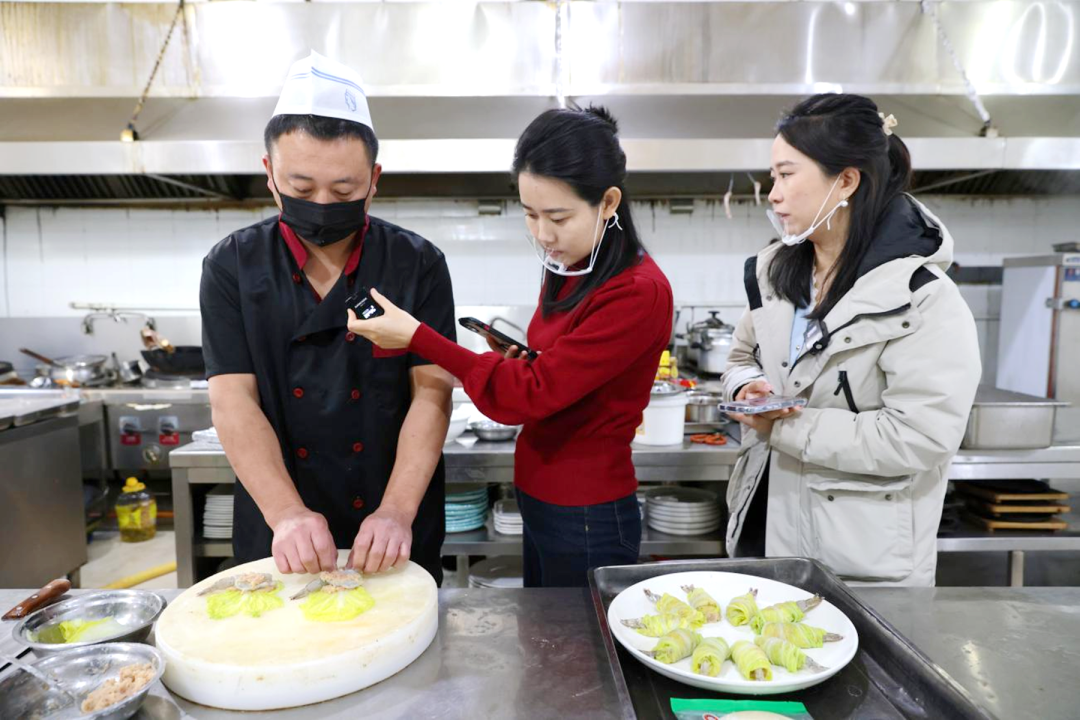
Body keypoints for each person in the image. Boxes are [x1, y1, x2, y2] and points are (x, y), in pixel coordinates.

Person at [347, 105, 673, 588]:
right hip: (541, 493)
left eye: (558, 216)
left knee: (578, 636)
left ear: (608, 202)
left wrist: (419, 337)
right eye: (530, 213)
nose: (542, 234)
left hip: (587, 509)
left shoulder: (638, 291)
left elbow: (532, 394)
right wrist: (529, 361)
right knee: (547, 627)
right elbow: (556, 369)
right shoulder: (571, 264)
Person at [199, 52, 456, 583]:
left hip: (393, 523)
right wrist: (285, 514)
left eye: (343, 191)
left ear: (374, 179)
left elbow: (432, 393)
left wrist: (396, 510)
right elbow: (232, 400)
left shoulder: (418, 263)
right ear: (269, 174)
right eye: (300, 189)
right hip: (279, 528)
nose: (321, 204)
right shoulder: (232, 266)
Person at [722, 93, 981, 586]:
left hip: (857, 562)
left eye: (786, 175)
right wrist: (746, 387)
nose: (773, 195)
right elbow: (741, 357)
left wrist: (783, 428)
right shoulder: (777, 276)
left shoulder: (922, 298)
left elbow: (919, 437)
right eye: (772, 177)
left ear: (845, 181)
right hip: (765, 530)